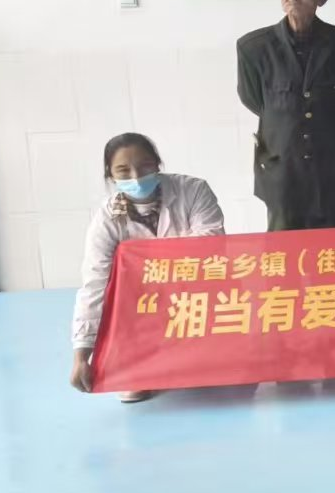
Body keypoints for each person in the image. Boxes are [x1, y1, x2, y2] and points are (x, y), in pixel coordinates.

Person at [70, 133, 224, 403]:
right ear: (110, 175)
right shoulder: (107, 218)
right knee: (115, 292)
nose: (136, 176)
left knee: (213, 363)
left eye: (144, 166)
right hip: (142, 303)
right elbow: (94, 284)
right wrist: (81, 356)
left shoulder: (193, 190)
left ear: (158, 164)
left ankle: (202, 355)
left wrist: (143, 258)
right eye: (123, 170)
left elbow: (211, 243)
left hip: (194, 292)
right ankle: (137, 367)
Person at [236, 0, 335, 232]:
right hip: (283, 169)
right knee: (284, 250)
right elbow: (254, 100)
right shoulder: (254, 47)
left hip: (334, 169)